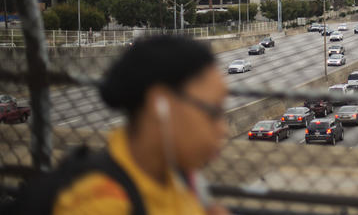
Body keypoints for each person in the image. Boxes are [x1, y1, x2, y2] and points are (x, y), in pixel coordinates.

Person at [53, 35, 229, 214]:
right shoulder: (99, 204)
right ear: (159, 104)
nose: (224, 129)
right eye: (214, 112)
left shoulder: (178, 179)